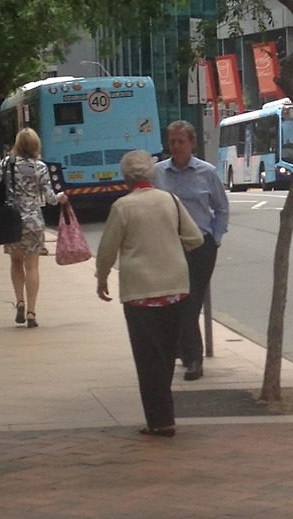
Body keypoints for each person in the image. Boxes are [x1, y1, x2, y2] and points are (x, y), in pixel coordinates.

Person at [96, 149, 203, 437]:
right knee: (166, 356)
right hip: (175, 289)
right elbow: (195, 238)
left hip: (140, 292)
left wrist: (101, 278)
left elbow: (107, 250)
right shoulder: (170, 200)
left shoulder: (122, 207)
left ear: (126, 178)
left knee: (147, 358)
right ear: (151, 174)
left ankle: (160, 420)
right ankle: (163, 416)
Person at [153, 121, 228, 380]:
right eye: (172, 142)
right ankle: (185, 351)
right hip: (169, 245)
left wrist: (215, 238)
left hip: (200, 245)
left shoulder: (207, 172)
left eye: (181, 142)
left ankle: (194, 358)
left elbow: (221, 208)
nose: (176, 147)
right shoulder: (158, 173)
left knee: (191, 300)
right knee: (176, 300)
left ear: (192, 143)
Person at [0, 126, 68, 328]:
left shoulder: (7, 163)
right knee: (32, 266)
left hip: (11, 220)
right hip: (33, 220)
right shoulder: (40, 167)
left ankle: (19, 301)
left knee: (16, 262)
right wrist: (61, 197)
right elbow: (50, 198)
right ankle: (31, 311)